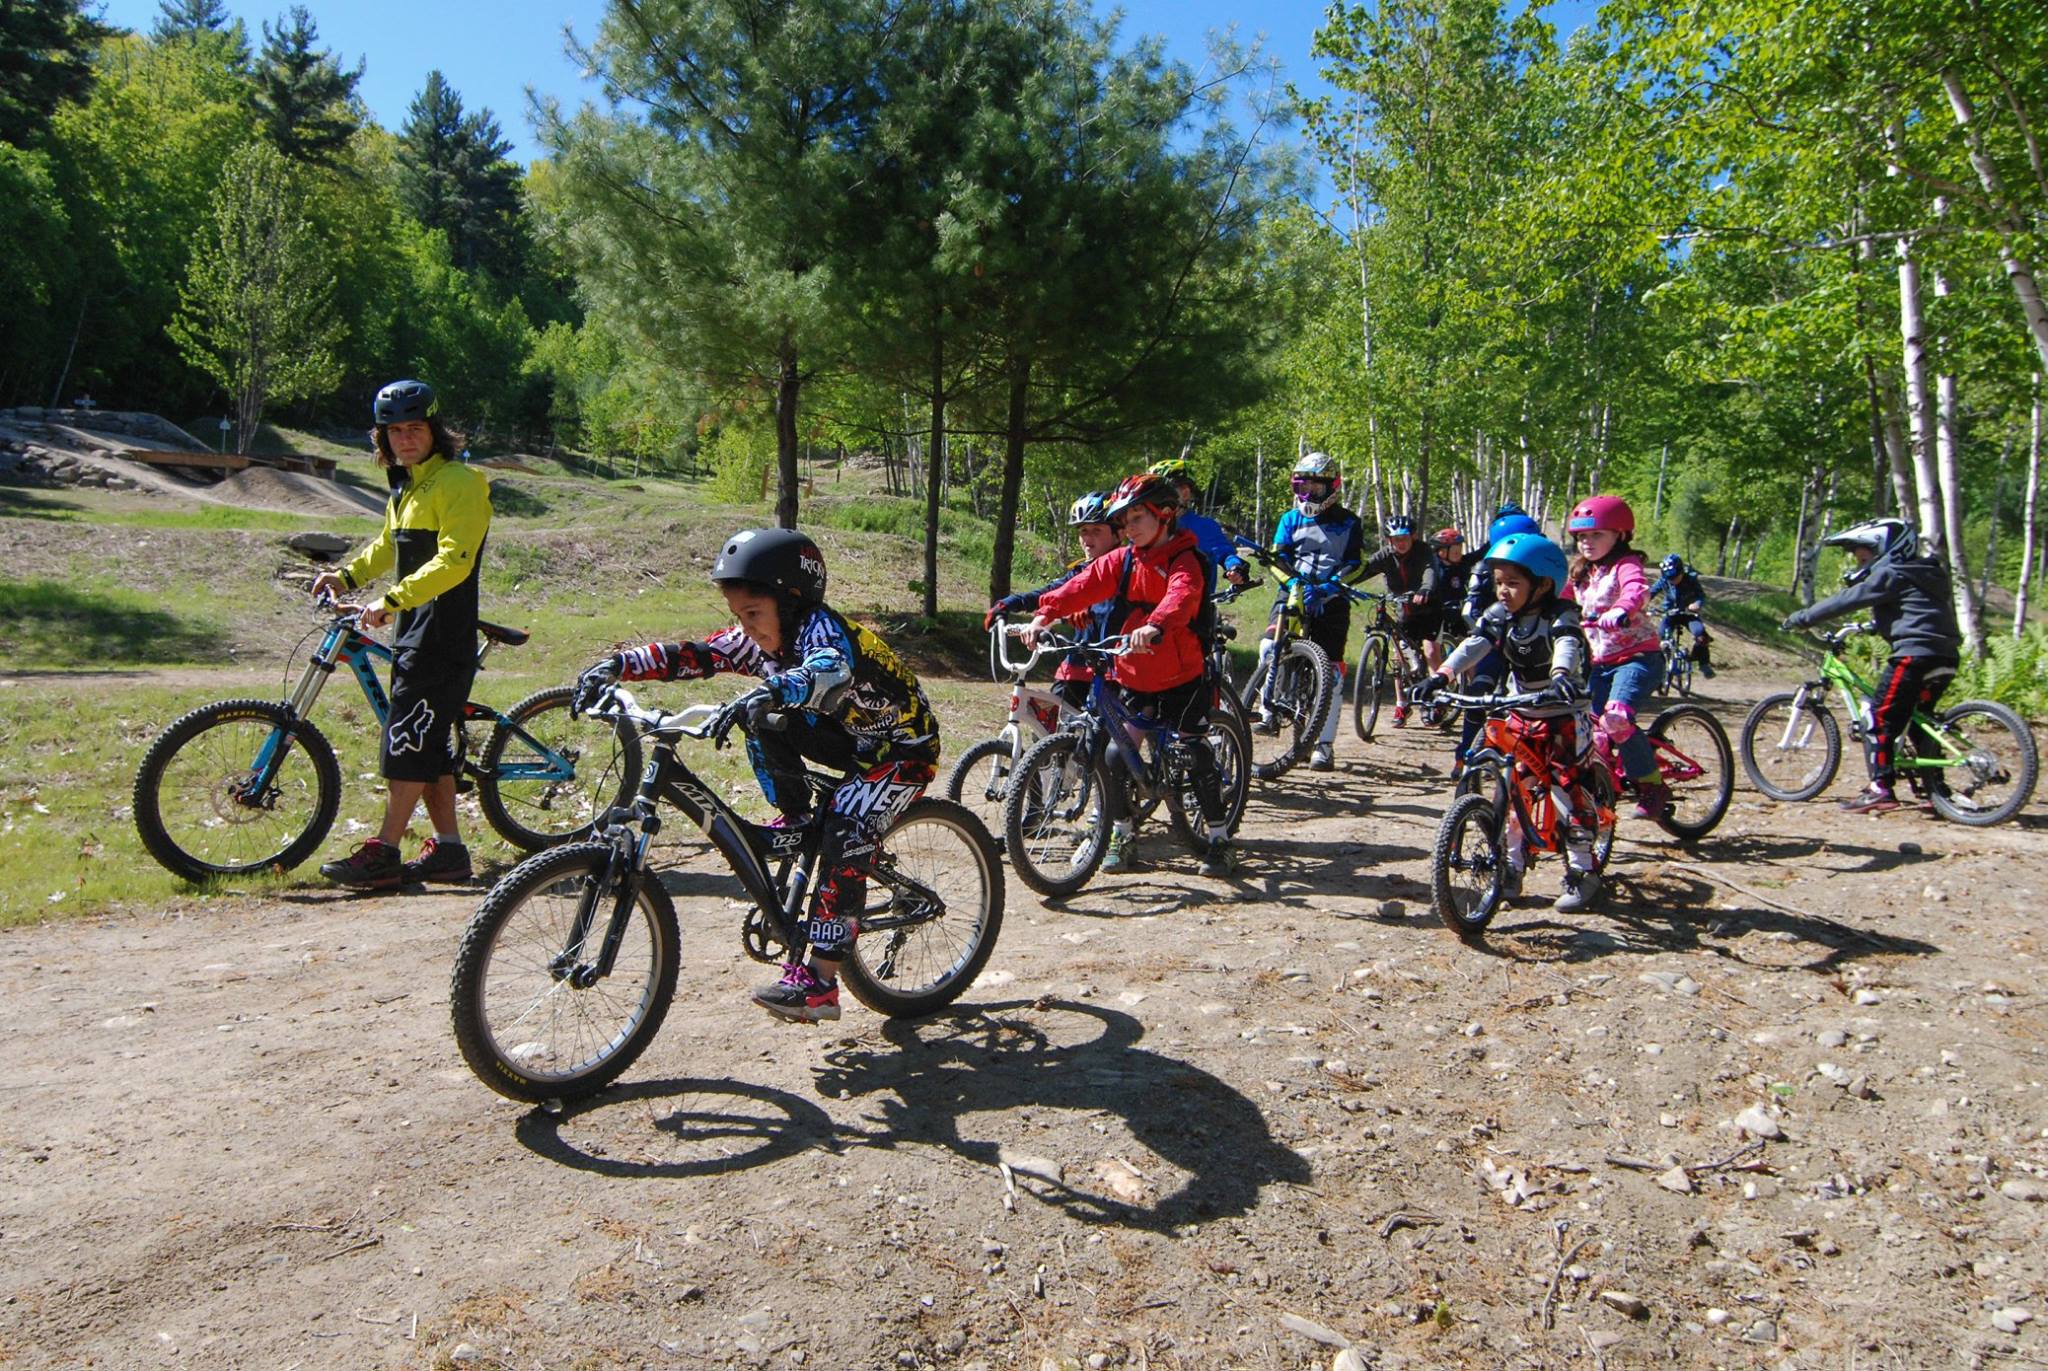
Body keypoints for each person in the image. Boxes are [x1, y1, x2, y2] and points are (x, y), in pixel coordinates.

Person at [573, 528, 941, 1023]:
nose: (745, 629)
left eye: (752, 614)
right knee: (761, 717)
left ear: (790, 603)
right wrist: (617, 665)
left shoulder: (822, 631)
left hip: (902, 751)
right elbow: (695, 655)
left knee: (846, 828)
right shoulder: (764, 640)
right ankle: (795, 817)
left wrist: (771, 690)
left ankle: (820, 984)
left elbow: (827, 669)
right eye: (737, 617)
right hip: (848, 739)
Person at [313, 379, 493, 889]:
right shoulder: (407, 486)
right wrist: (345, 577)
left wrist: (391, 601)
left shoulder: (460, 482)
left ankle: (385, 851)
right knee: (426, 743)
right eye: (394, 431)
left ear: (435, 431)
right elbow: (388, 546)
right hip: (416, 628)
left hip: (442, 632)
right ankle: (449, 851)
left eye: (415, 428)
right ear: (382, 437)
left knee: (407, 741)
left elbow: (454, 561)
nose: (405, 438)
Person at [1022, 473, 1234, 876]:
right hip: (1136, 676)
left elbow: (1182, 595)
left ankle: (1220, 839)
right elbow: (1081, 586)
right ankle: (1122, 834)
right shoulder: (1124, 560)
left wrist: (1155, 625)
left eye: (1137, 518)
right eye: (1125, 520)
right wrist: (1044, 616)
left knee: (1194, 752)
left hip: (1181, 675)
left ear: (1165, 515)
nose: (1129, 528)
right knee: (1116, 755)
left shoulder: (1184, 558)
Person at [1415, 532, 1601, 911]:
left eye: (1513, 583)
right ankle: (1511, 866)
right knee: (1516, 792)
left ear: (1543, 584)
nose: (1502, 590)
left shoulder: (1559, 615)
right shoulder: (1501, 615)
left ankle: (1584, 869)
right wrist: (1442, 676)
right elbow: (1475, 644)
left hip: (1562, 715)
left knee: (1568, 789)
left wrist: (1561, 676)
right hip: (1522, 711)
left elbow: (1566, 644)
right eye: (1499, 582)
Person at [1783, 518, 1960, 814]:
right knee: (1919, 721)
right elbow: (1917, 611)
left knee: (1878, 716)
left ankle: (1880, 789)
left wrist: (1803, 617)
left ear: (1887, 548)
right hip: (1945, 656)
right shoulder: (1925, 574)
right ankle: (1936, 791)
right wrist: (1876, 626)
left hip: (1913, 656)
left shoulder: (1891, 573)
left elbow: (1848, 599)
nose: (1859, 561)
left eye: (1864, 556)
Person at [1253, 451, 1363, 769]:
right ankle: (1268, 710)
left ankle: (1324, 746)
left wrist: (1330, 586)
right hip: (1292, 593)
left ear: (1331, 487)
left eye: (1315, 488)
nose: (1308, 494)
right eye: (1302, 487)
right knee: (1269, 646)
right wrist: (1292, 583)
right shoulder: (1290, 519)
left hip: (1332, 599)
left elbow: (1356, 563)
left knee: (1332, 672)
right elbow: (1278, 558)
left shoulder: (1349, 522)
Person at [1563, 495, 1667, 820]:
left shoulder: (1626, 564)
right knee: (1592, 731)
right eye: (1582, 536)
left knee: (1616, 719)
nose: (1587, 542)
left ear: (1620, 535)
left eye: (1597, 534)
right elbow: (1558, 599)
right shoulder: (1581, 572)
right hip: (1601, 664)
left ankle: (1652, 786)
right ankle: (1603, 789)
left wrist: (1622, 608)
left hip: (1638, 659)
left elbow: (1636, 589)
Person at [984, 491, 1120, 710]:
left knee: (1098, 727)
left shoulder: (1125, 568)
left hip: (1114, 669)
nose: (1087, 539)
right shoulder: (1080, 570)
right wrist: (1009, 603)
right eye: (1083, 531)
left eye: (1096, 531)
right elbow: (1050, 593)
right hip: (1077, 663)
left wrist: (1090, 610)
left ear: (1117, 534)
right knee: (1049, 721)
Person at [1449, 510, 1542, 779]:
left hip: (1533, 647)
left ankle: (1531, 762)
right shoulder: (1484, 569)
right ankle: (1465, 755)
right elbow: (1470, 611)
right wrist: (1491, 635)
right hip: (1495, 645)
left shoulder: (1543, 572)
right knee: (1478, 695)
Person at [1358, 512, 1439, 727]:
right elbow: (1364, 570)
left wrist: (1425, 589)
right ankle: (1402, 704)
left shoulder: (1423, 551)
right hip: (1405, 611)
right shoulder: (1385, 555)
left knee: (1430, 651)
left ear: (1413, 537)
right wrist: (1342, 583)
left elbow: (1430, 572)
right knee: (1398, 657)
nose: (1400, 543)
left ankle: (1435, 700)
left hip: (1429, 609)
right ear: (1389, 540)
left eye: (1404, 539)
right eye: (1396, 540)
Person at [1148, 456, 1246, 589]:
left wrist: (1235, 567)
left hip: (1195, 600)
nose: (1156, 498)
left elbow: (1225, 555)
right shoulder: (1146, 527)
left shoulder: (1204, 526)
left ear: (1185, 492)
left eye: (1164, 490)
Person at [1648, 553, 1715, 678]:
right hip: (1670, 613)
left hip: (1688, 614)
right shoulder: (1664, 580)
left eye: (1675, 577)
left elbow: (1701, 596)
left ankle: (1703, 664)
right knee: (1660, 636)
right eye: (1669, 578)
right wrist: (1642, 603)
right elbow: (1650, 593)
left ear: (1681, 572)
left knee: (1701, 635)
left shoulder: (1691, 579)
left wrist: (1696, 604)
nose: (1672, 581)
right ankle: (1661, 665)